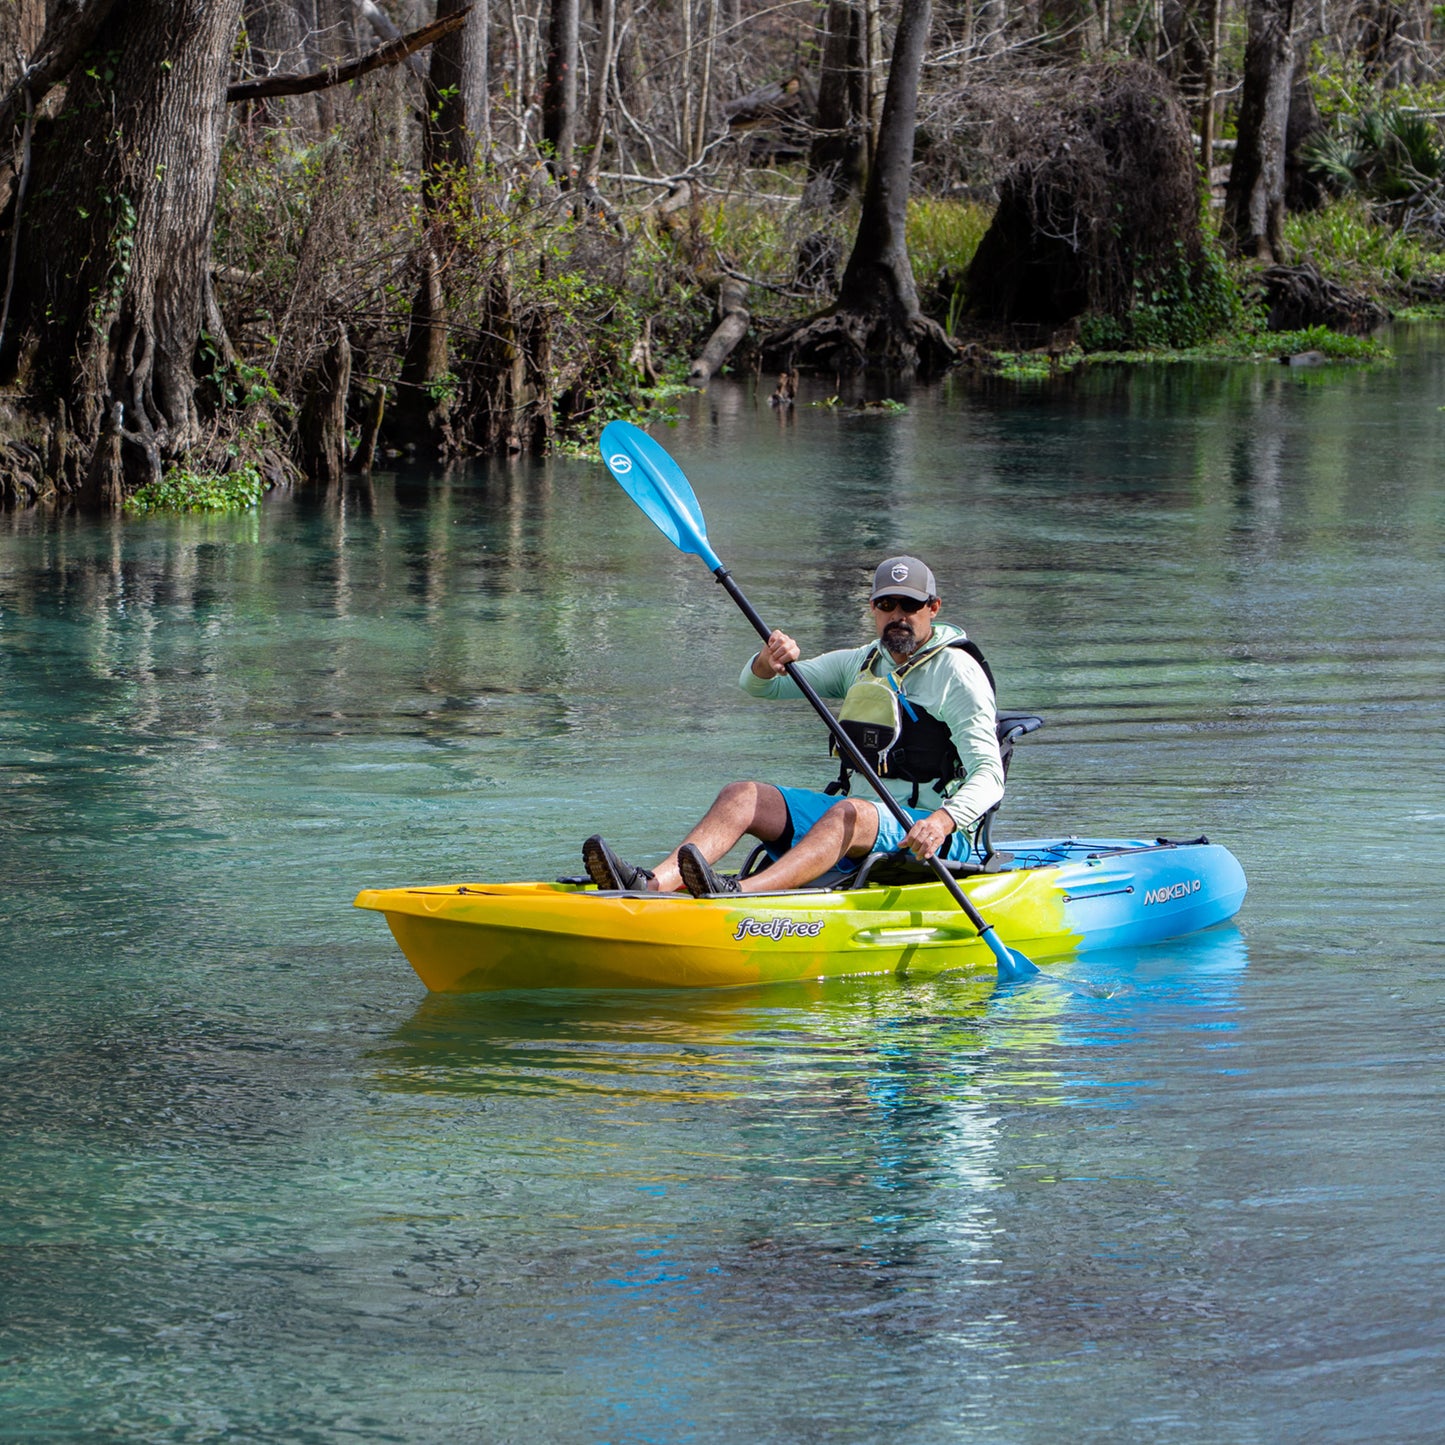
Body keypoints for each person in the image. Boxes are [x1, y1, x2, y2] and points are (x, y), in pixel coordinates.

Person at [583, 555, 1004, 897]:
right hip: (859, 817)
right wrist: (768, 662)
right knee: (742, 795)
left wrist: (942, 822)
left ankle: (739, 893)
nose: (898, 615)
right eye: (886, 604)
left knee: (849, 812)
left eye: (910, 605)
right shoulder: (862, 662)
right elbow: (759, 688)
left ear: (933, 608)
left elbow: (990, 775)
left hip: (929, 832)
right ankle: (651, 884)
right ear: (873, 609)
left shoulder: (957, 673)